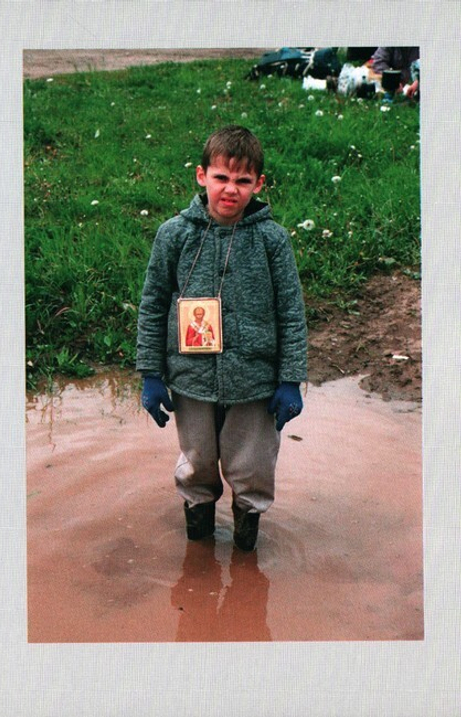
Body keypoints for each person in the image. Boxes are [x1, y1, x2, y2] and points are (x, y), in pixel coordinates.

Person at [136, 125, 307, 551]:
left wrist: (290, 379)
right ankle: (199, 544)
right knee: (195, 466)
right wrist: (150, 373)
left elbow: (291, 312)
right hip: (190, 377)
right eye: (221, 178)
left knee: (252, 467)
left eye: (243, 180)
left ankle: (246, 544)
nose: (231, 189)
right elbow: (153, 305)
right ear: (201, 176)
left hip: (255, 380)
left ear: (259, 184)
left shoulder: (273, 240)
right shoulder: (173, 235)